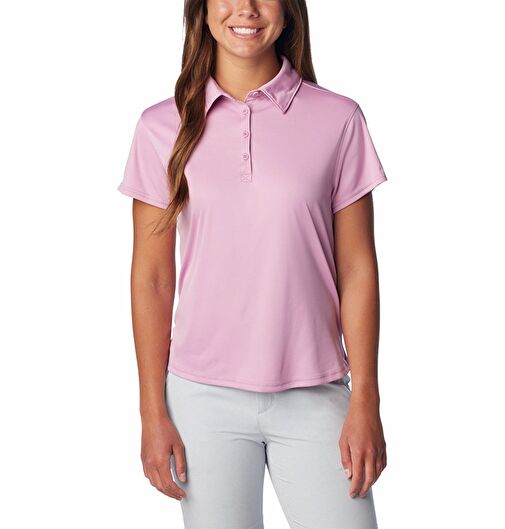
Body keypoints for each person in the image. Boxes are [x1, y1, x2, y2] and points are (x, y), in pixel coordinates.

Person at [117, 1, 388, 527]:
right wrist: (152, 411)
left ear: (289, 10)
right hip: (201, 399)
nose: (246, 8)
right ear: (202, 10)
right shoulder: (160, 126)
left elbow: (358, 270)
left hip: (315, 393)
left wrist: (366, 402)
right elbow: (152, 279)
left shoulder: (338, 119)